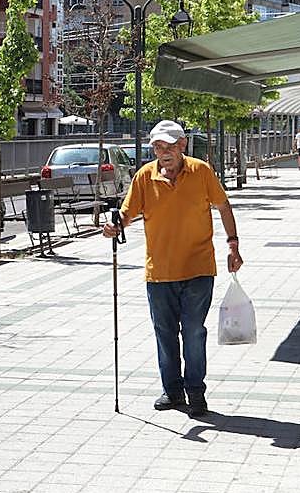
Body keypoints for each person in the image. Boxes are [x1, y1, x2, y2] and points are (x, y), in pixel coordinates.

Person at [103, 120, 243, 417]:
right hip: (160, 271)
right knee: (164, 333)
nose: (163, 152)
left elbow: (223, 206)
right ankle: (173, 390)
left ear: (183, 145)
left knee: (193, 332)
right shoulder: (145, 176)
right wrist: (115, 225)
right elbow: (128, 211)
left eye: (168, 146)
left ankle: (195, 392)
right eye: (157, 146)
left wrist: (233, 245)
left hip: (198, 268)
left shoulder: (201, 171)